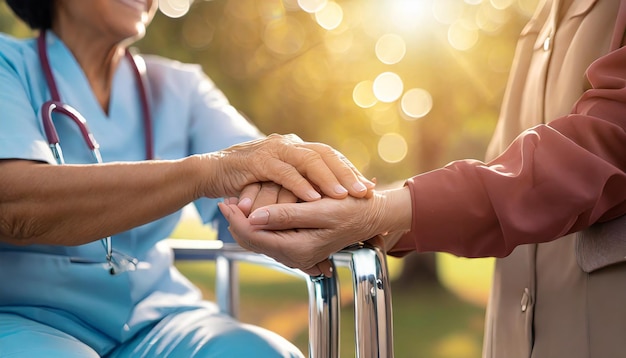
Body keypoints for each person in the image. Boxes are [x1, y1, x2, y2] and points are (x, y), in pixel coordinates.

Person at [219, 1, 626, 357]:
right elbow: (507, 167)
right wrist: (369, 216)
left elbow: (604, 144)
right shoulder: (540, 19)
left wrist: (386, 211)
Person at [0, 0, 375, 357]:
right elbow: (14, 205)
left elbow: (263, 174)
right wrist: (202, 174)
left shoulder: (182, 88)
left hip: (156, 319)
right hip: (27, 318)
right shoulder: (7, 64)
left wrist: (348, 198)